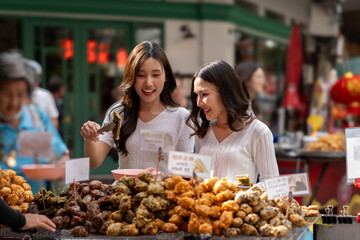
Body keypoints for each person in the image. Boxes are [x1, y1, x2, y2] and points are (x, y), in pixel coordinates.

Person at [80, 41, 194, 173]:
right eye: (140, 75)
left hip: (163, 192)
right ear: (131, 77)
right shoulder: (118, 113)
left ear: (166, 76)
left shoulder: (182, 117)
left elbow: (185, 172)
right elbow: (95, 161)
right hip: (124, 192)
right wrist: (89, 137)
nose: (148, 83)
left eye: (156, 75)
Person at [186, 60, 279, 186]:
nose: (198, 102)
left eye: (204, 94)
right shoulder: (203, 130)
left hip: (238, 205)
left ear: (225, 91)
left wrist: (238, 194)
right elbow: (199, 177)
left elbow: (272, 183)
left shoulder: (258, 131)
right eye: (196, 95)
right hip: (205, 205)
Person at [0, 50, 69, 193]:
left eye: (21, 94)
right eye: (7, 93)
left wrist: (60, 167)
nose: (14, 102)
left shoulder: (37, 118)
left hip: (36, 206)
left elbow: (62, 156)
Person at [28, 60, 60, 129]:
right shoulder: (17, 97)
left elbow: (54, 120)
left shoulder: (45, 95)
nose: (36, 81)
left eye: (38, 78)